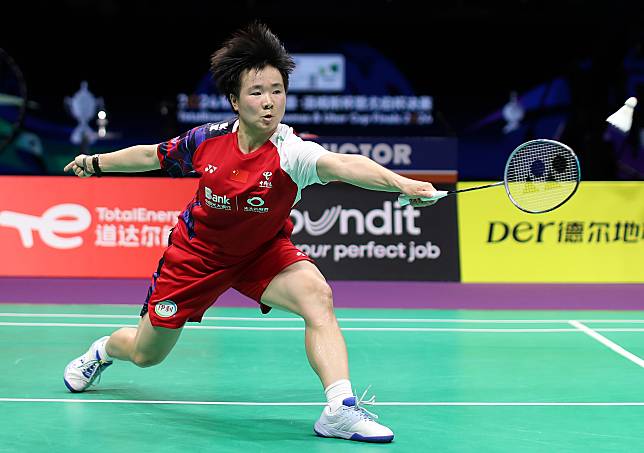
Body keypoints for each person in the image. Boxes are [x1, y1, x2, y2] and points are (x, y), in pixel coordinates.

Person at [63, 22, 437, 443]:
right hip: (196, 258)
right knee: (145, 354)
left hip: (260, 253)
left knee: (318, 297)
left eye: (277, 90)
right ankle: (102, 351)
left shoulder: (291, 150)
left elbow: (344, 165)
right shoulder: (206, 141)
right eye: (257, 92)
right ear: (234, 100)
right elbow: (152, 155)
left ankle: (339, 410)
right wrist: (95, 164)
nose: (269, 102)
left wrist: (401, 184)